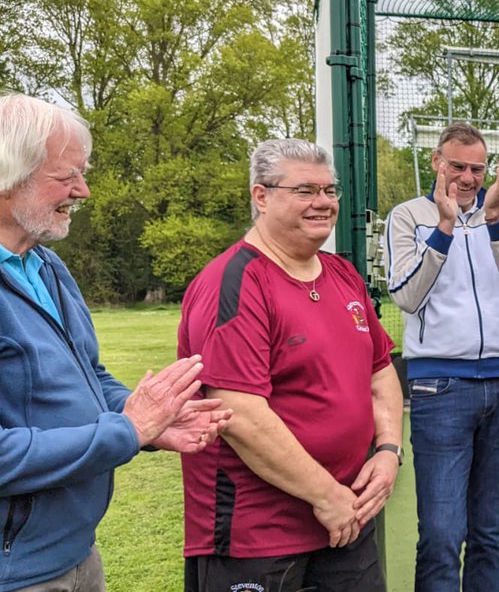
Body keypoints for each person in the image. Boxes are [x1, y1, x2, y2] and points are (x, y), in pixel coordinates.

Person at [0, 93, 230, 592]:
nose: (82, 191)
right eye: (66, 176)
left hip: (76, 553)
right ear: (7, 178)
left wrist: (150, 420)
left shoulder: (46, 266)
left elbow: (89, 374)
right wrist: (128, 429)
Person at [179, 139, 404, 592]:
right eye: (305, 190)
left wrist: (388, 451)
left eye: (330, 190)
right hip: (259, 535)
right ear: (260, 196)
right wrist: (327, 495)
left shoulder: (342, 275)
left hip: (348, 518)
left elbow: (380, 372)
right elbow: (240, 413)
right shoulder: (234, 282)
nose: (323, 202)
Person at [384, 121, 499, 592]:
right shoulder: (407, 217)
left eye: (477, 169)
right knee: (442, 534)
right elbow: (406, 295)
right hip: (440, 388)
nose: (468, 178)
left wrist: (494, 218)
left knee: (490, 532)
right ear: (436, 162)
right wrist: (446, 227)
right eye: (457, 166)